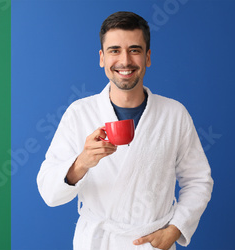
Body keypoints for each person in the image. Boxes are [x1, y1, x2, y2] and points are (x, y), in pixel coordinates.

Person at [36, 11, 213, 250]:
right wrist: (81, 163)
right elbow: (49, 192)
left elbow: (198, 180)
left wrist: (175, 229)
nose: (125, 61)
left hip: (151, 243)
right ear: (102, 58)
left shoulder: (174, 114)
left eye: (135, 50)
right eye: (114, 50)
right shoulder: (79, 113)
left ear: (148, 57)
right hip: (98, 243)